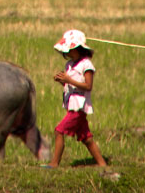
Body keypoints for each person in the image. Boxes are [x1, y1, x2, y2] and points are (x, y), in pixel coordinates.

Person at [46, 29, 108, 167]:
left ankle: (54, 163)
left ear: (79, 49)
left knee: (59, 131)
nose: (67, 52)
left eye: (71, 49)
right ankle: (102, 165)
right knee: (87, 139)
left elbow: (88, 86)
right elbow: (70, 84)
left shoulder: (86, 65)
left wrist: (69, 79)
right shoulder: (69, 65)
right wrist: (63, 81)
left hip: (79, 107)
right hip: (71, 105)